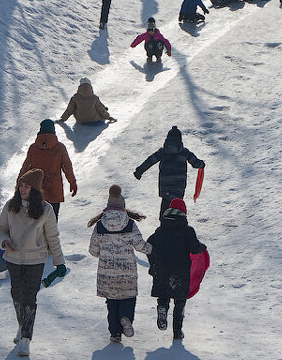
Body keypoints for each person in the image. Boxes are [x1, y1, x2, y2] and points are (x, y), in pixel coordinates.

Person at [0, 168, 66, 357]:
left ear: (34, 189)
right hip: (13, 259)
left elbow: (53, 236)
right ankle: (22, 325)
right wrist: (4, 241)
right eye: (21, 185)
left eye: (26, 186)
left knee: (30, 297)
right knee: (16, 295)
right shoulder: (11, 205)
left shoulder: (46, 209)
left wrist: (59, 262)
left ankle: (26, 337)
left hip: (36, 260)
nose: (22, 189)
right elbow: (1, 228)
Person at [87, 184, 151, 343]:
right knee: (128, 298)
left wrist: (104, 253)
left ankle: (115, 333)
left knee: (112, 302)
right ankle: (126, 318)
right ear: (123, 206)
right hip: (127, 272)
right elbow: (140, 246)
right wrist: (153, 249)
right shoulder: (129, 223)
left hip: (106, 273)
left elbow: (93, 250)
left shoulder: (100, 225)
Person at [146, 198, 205, 341]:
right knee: (180, 300)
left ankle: (162, 309)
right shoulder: (187, 231)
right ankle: (177, 332)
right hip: (180, 271)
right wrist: (203, 247)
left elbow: (148, 246)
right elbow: (195, 248)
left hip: (162, 270)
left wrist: (153, 264)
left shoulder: (160, 231)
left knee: (164, 295)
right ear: (184, 213)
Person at [133, 126, 205, 217]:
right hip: (179, 186)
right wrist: (201, 164)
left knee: (165, 206)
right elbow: (195, 163)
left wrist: (139, 171)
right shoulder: (184, 152)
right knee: (177, 205)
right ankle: (178, 223)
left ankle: (163, 223)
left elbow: (150, 161)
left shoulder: (162, 152)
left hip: (165, 186)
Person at [18, 119, 77, 218]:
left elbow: (25, 168)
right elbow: (67, 167)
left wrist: (18, 185)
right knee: (52, 219)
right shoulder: (60, 148)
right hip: (54, 188)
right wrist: (72, 182)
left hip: (36, 189)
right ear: (53, 130)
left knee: (35, 219)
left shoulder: (33, 148)